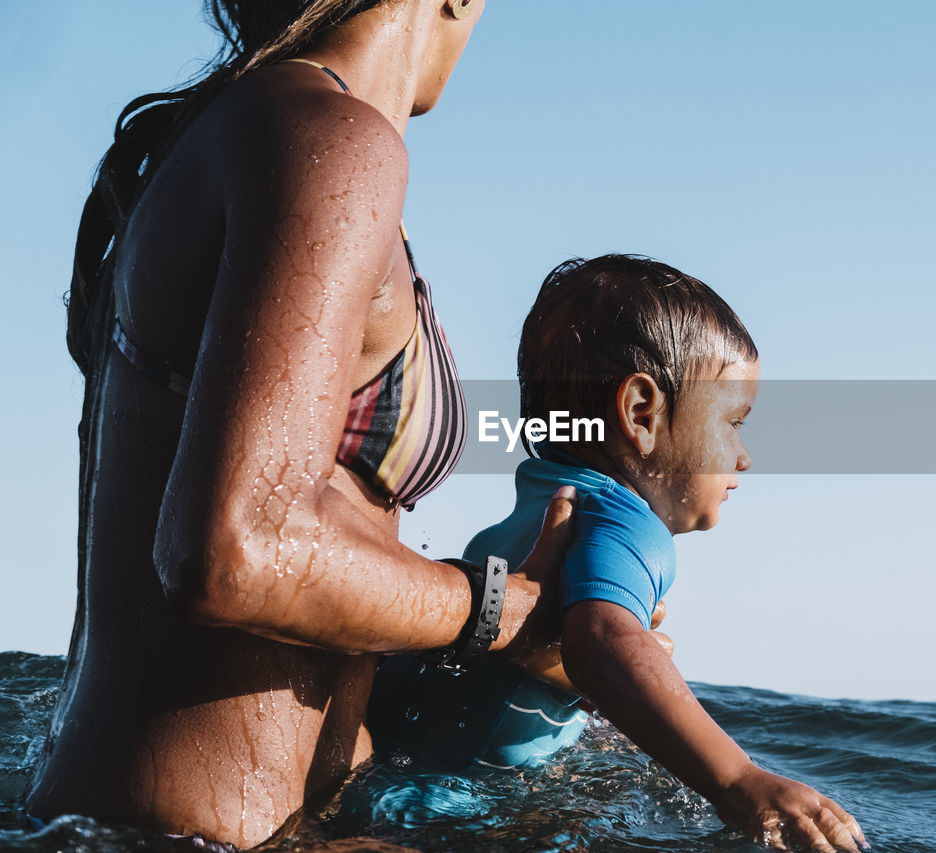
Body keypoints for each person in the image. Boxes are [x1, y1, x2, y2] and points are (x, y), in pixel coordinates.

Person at [24, 1, 605, 847]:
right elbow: (234, 553)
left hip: (184, 819)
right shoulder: (331, 143)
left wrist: (492, 622)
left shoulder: (237, 129)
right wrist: (499, 611)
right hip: (198, 834)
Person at [369, 255, 871, 852]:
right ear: (641, 414)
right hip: (455, 813)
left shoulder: (540, 500)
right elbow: (603, 640)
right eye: (734, 422)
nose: (743, 457)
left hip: (392, 772)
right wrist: (738, 778)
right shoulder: (630, 523)